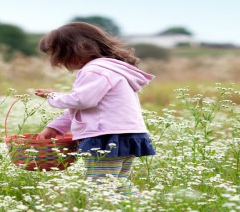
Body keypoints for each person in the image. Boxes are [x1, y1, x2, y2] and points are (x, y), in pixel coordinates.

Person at [34, 22, 156, 196]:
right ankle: (135, 206)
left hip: (105, 137)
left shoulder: (95, 70)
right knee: (119, 185)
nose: (58, 61)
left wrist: (53, 96)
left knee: (99, 189)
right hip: (126, 135)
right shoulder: (111, 69)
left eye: (58, 54)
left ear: (76, 49)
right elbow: (82, 109)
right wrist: (55, 127)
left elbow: (82, 101)